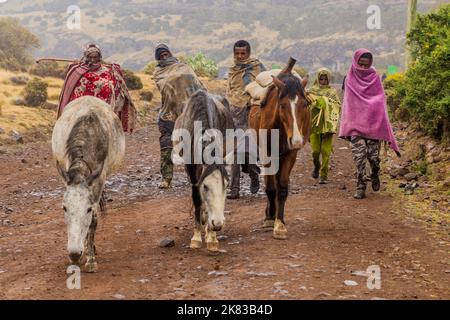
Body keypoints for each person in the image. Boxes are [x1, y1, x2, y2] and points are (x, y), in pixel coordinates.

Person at [339, 49, 401, 199]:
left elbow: (380, 100)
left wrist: (375, 112)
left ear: (370, 63)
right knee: (359, 158)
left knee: (373, 158)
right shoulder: (349, 78)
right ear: (356, 61)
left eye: (366, 64)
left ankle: (375, 172)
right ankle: (360, 186)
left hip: (372, 126)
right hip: (355, 126)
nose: (363, 67)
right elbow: (348, 103)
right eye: (361, 64)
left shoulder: (374, 77)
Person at [153, 44, 205, 189]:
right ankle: (166, 178)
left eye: (166, 54)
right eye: (161, 55)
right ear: (157, 58)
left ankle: (193, 175)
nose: (164, 57)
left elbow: (195, 83)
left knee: (191, 144)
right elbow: (163, 86)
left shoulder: (183, 66)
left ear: (170, 53)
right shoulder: (158, 72)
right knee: (166, 144)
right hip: (169, 113)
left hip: (188, 111)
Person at [58, 44, 136, 132]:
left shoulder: (106, 71)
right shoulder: (80, 70)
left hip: (103, 107)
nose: (93, 60)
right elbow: (73, 83)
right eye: (90, 57)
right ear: (86, 57)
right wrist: (74, 65)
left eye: (95, 57)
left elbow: (109, 87)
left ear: (99, 57)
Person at [226, 40, 266, 199]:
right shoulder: (231, 70)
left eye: (243, 53)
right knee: (236, 154)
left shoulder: (257, 68)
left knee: (247, 154)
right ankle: (234, 189)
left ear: (249, 53)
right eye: (237, 53)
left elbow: (266, 87)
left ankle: (254, 174)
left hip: (251, 118)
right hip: (234, 118)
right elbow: (230, 91)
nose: (240, 56)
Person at [307, 68, 341, 184]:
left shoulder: (332, 92)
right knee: (315, 151)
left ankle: (323, 175)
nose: (323, 81)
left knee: (325, 152)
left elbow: (337, 106)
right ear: (317, 78)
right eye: (321, 78)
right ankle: (316, 166)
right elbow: (306, 105)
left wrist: (326, 102)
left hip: (327, 126)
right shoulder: (311, 91)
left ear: (328, 79)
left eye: (325, 79)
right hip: (314, 125)